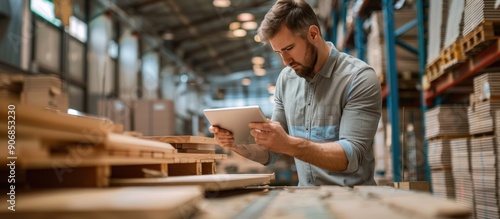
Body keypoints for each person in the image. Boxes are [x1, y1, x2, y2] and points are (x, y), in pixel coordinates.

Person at [209, 0, 382, 186]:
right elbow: (271, 151)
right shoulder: (286, 80)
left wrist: (290, 144)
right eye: (278, 52)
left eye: (289, 49)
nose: (285, 61)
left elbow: (350, 156)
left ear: (313, 34)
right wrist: (236, 143)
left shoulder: (358, 78)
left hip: (353, 201)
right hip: (306, 198)